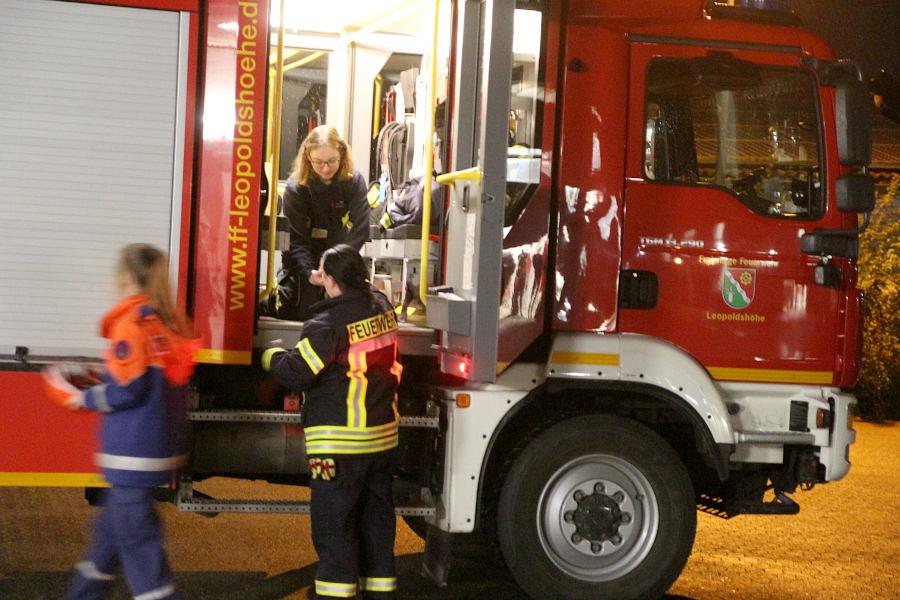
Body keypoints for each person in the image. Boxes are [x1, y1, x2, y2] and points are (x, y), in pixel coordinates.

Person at [43, 243, 198, 600]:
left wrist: (83, 397)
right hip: (151, 455)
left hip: (130, 458)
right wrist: (104, 377)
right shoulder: (162, 322)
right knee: (102, 554)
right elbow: (148, 380)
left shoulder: (131, 324)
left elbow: (130, 389)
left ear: (127, 277)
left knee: (148, 575)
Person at [262, 244, 402, 600]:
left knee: (335, 526)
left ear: (333, 280)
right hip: (381, 438)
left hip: (340, 443)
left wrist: (270, 355)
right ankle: (380, 593)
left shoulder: (327, 324)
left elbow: (297, 373)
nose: (319, 278)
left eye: (322, 272)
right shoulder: (383, 308)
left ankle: (334, 595)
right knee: (376, 524)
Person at [262, 125, 371, 321]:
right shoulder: (296, 188)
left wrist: (336, 265)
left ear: (342, 155)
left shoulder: (353, 181)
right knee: (304, 311)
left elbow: (361, 230)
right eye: (318, 162)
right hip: (304, 258)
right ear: (307, 158)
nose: (326, 168)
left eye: (331, 161)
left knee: (351, 311)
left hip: (339, 251)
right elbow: (296, 240)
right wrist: (309, 273)